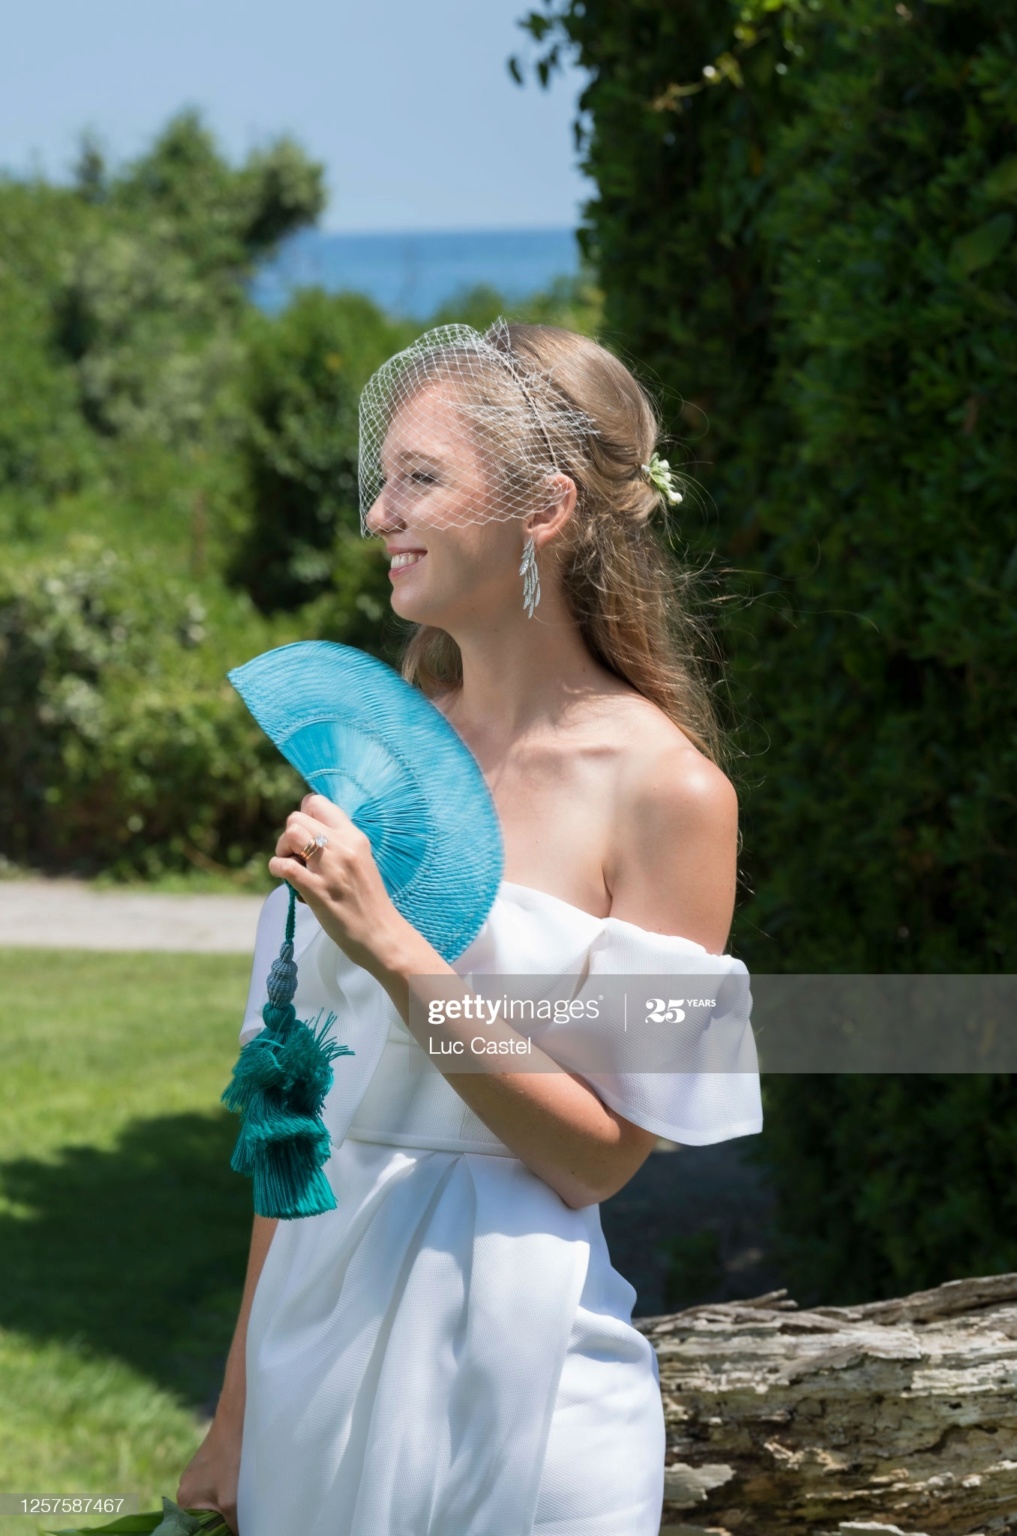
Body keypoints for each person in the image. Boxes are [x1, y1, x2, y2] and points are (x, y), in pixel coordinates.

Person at [177, 320, 763, 1535]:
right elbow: (295, 1118)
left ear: (543, 508)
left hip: (525, 1367)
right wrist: (235, 1411)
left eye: (419, 478)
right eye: (382, 477)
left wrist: (395, 949)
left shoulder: (668, 795)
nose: (376, 514)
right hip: (312, 1357)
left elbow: (598, 1157)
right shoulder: (376, 763)